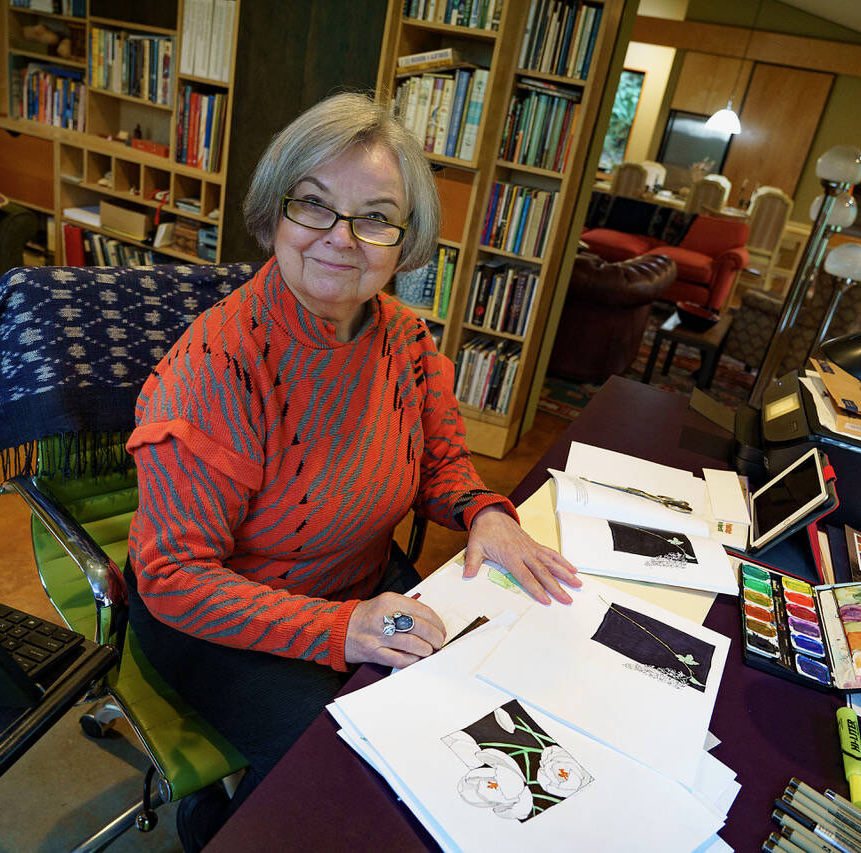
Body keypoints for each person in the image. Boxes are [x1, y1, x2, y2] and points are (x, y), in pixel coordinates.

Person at [125, 91, 580, 851]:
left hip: (359, 585)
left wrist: (484, 511)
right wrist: (342, 628)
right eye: (314, 205)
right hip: (218, 624)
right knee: (357, 788)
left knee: (486, 723)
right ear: (275, 215)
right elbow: (173, 577)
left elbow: (441, 462)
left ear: (404, 240)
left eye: (374, 216)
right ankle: (222, 823)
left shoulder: (404, 337)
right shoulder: (214, 371)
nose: (343, 238)